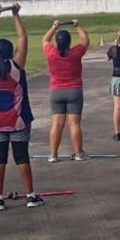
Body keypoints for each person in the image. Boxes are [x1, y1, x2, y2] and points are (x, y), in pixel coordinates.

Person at [0, 4, 41, 210]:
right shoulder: (17, 66)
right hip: (20, 119)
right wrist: (16, 14)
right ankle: (30, 196)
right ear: (10, 51)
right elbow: (23, 38)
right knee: (21, 156)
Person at [43, 18, 90, 162]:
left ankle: (53, 155)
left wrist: (54, 27)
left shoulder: (51, 52)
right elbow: (85, 40)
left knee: (56, 124)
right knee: (74, 124)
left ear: (57, 41)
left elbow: (45, 40)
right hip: (74, 90)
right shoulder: (75, 52)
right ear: (69, 42)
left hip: (56, 90)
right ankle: (78, 153)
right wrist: (78, 25)